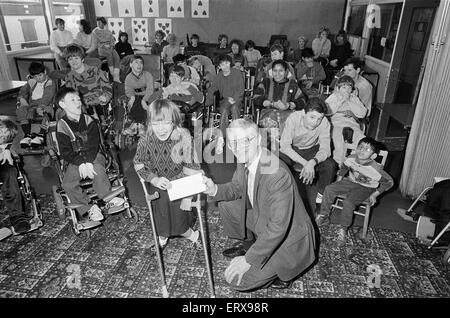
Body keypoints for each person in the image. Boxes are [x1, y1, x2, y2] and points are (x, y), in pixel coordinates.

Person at [202, 118, 316, 291]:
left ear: (259, 140)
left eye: (246, 140)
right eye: (234, 142)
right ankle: (249, 246)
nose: (239, 147)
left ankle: (285, 271)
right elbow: (236, 188)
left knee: (237, 282)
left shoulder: (276, 174)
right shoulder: (246, 159)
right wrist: (214, 189)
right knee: (226, 204)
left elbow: (278, 227)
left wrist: (248, 261)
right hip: (264, 217)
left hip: (288, 238)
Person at [134, 99, 203, 249]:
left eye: (165, 122)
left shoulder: (184, 137)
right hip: (158, 183)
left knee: (180, 222)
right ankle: (163, 237)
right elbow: (139, 164)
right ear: (150, 123)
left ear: (174, 121)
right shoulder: (145, 140)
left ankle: (192, 235)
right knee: (161, 217)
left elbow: (193, 167)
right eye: (156, 123)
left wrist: (188, 196)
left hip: (181, 183)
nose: (161, 129)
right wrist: (153, 179)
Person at [55, 87, 125, 222]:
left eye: (78, 99)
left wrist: (87, 162)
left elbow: (94, 145)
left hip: (94, 155)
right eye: (72, 100)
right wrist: (81, 163)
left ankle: (108, 197)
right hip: (74, 160)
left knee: (98, 168)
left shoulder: (89, 120)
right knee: (67, 184)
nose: (77, 102)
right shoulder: (61, 125)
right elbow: (65, 152)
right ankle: (89, 208)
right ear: (62, 105)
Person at [315, 137, 394, 246]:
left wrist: (375, 194)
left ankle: (343, 228)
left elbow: (389, 182)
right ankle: (324, 215)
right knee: (329, 188)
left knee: (348, 202)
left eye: (367, 149)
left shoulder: (376, 169)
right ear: (356, 148)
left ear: (373, 155)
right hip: (351, 181)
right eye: (360, 147)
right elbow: (344, 168)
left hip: (366, 187)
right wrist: (338, 183)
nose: (362, 151)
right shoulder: (351, 158)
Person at [279, 97, 337, 214]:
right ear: (304, 113)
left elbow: (326, 149)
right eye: (312, 117)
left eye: (319, 118)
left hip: (311, 150)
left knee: (331, 165)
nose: (315, 122)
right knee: (276, 163)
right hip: (292, 149)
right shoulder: (294, 118)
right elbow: (285, 146)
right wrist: (305, 163)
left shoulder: (324, 122)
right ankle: (279, 197)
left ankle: (320, 200)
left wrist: (312, 162)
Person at [253, 60, 304, 139]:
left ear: (286, 72)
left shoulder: (292, 84)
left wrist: (289, 105)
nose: (277, 74)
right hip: (268, 114)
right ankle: (271, 148)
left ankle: (284, 147)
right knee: (271, 124)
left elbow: (302, 100)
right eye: (275, 71)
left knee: (290, 123)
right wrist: (271, 104)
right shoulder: (266, 82)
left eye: (281, 71)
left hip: (287, 113)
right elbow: (256, 97)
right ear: (271, 71)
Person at [325, 75, 367, 166]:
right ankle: (339, 164)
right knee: (339, 142)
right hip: (337, 123)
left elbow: (362, 113)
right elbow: (327, 111)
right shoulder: (334, 97)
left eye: (349, 87)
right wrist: (340, 101)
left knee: (361, 140)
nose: (347, 90)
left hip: (352, 123)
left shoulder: (354, 98)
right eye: (344, 87)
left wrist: (349, 101)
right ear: (338, 88)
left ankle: (354, 164)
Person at [63, 44, 112, 120]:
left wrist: (105, 97)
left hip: (99, 104)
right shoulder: (69, 77)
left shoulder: (96, 71)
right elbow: (71, 95)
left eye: (76, 58)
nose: (73, 61)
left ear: (82, 59)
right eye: (70, 59)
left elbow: (107, 88)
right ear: (67, 61)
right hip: (81, 107)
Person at [0, 117, 31, 234]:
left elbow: (19, 133)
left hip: (3, 163)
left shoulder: (6, 121)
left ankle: (17, 217)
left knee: (10, 172)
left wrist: (8, 148)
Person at [16, 62, 56, 148]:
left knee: (47, 112)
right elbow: (22, 91)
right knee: (21, 110)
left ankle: (41, 135)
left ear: (45, 72)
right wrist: (22, 98)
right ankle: (27, 135)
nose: (38, 78)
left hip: (46, 104)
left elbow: (47, 97)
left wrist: (40, 107)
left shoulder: (50, 82)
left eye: (40, 75)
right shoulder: (32, 82)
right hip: (32, 105)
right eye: (35, 76)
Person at [205, 54, 244, 139]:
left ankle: (236, 135)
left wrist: (234, 98)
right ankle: (222, 136)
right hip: (225, 100)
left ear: (230, 63)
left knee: (234, 108)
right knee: (224, 110)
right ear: (219, 67)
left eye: (226, 63)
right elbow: (212, 89)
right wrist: (206, 102)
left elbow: (240, 88)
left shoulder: (237, 73)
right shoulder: (219, 76)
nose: (225, 66)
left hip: (237, 99)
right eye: (222, 64)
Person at [122, 55, 154, 135]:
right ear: (131, 64)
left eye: (141, 63)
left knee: (140, 101)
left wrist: (144, 100)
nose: (139, 65)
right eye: (136, 62)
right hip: (135, 97)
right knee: (135, 100)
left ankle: (137, 125)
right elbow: (128, 90)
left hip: (148, 96)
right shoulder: (128, 77)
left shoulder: (148, 75)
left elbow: (150, 89)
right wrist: (132, 97)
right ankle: (139, 125)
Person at [87, 17, 121, 82]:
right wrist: (104, 46)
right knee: (109, 55)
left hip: (110, 47)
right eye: (97, 22)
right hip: (102, 49)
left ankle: (116, 76)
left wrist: (111, 46)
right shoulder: (95, 32)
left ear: (103, 23)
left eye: (100, 22)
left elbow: (112, 40)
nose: (98, 24)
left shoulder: (108, 31)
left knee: (117, 57)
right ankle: (113, 74)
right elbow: (96, 43)